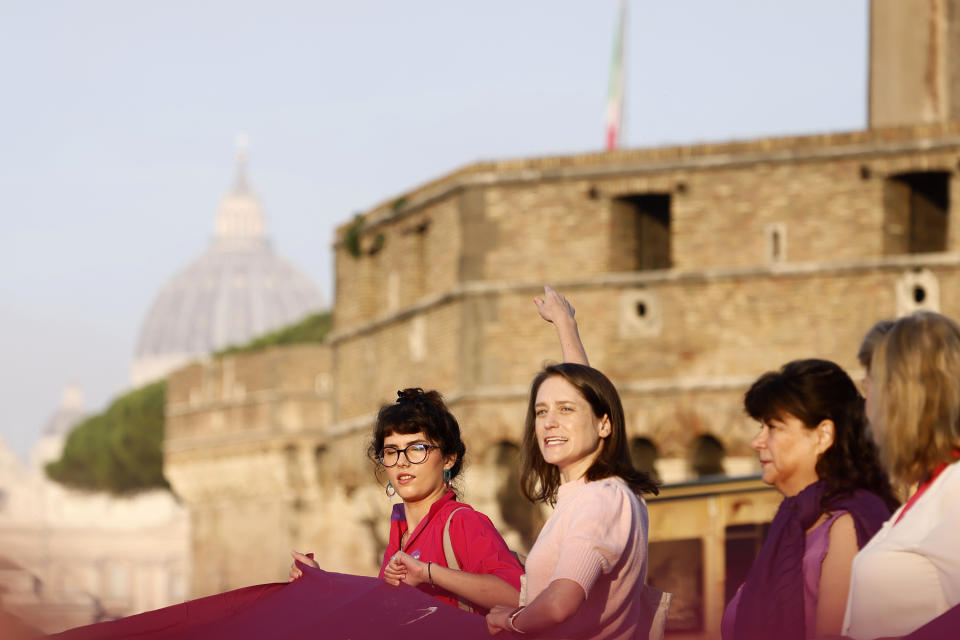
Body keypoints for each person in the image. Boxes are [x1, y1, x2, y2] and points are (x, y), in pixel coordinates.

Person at [291, 388, 523, 614]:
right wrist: (321, 583)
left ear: (448, 459)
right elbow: (381, 615)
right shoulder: (398, 535)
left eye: (417, 448)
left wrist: (428, 573)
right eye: (392, 451)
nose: (402, 462)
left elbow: (516, 597)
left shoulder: (462, 522)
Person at [721, 359, 897, 640]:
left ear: (823, 435)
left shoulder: (847, 526)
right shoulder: (794, 523)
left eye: (773, 427)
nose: (757, 441)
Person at [486, 362, 661, 639]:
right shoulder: (595, 492)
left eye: (565, 409)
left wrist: (512, 620)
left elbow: (559, 604)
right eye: (541, 411)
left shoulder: (600, 499)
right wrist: (565, 323)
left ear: (604, 424)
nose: (549, 422)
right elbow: (588, 389)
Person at [843, 311, 960, 639]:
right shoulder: (934, 486)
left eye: (870, 387)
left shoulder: (956, 488)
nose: (867, 407)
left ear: (898, 394)